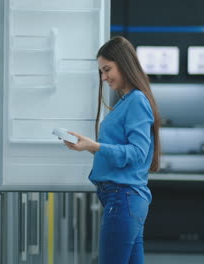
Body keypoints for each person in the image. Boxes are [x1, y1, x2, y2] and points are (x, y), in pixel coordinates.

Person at [63, 36, 161, 264]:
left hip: (123, 199)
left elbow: (136, 153)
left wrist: (95, 145)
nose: (104, 77)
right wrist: (88, 147)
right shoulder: (127, 101)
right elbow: (121, 152)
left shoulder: (136, 100)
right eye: (101, 72)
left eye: (107, 70)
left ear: (124, 63)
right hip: (124, 199)